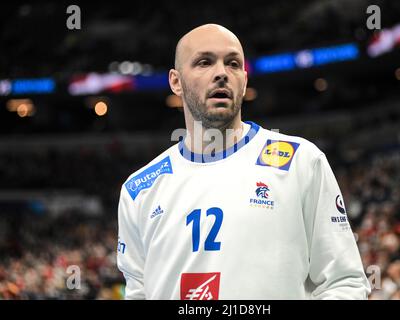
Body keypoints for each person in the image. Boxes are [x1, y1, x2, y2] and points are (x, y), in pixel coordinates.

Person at [117, 23, 371, 300]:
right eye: (204, 62)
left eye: (233, 64)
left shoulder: (301, 162)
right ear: (176, 82)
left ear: (245, 79)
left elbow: (344, 282)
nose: (222, 74)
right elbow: (138, 294)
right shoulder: (139, 189)